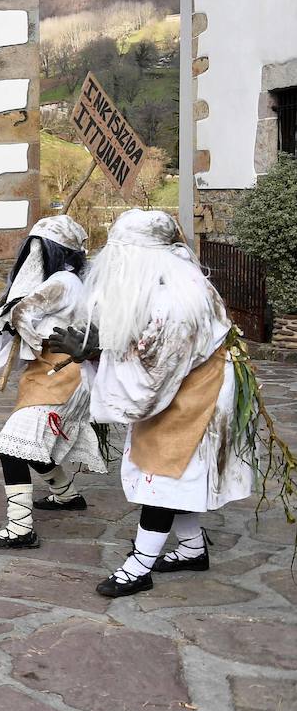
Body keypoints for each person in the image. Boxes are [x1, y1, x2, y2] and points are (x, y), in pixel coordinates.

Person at [48, 209, 251, 598]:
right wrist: (96, 350)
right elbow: (145, 351)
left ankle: (139, 567)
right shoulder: (166, 281)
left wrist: (95, 355)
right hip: (181, 385)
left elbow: (149, 377)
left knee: (161, 475)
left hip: (192, 395)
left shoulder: (177, 303)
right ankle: (192, 548)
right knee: (178, 475)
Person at [0, 215, 105, 549]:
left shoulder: (62, 280)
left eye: (38, 248)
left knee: (12, 445)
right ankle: (66, 495)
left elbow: (22, 312)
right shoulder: (74, 281)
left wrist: (9, 323)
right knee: (31, 445)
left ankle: (20, 529)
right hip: (53, 373)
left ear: (50, 251)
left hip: (61, 373)